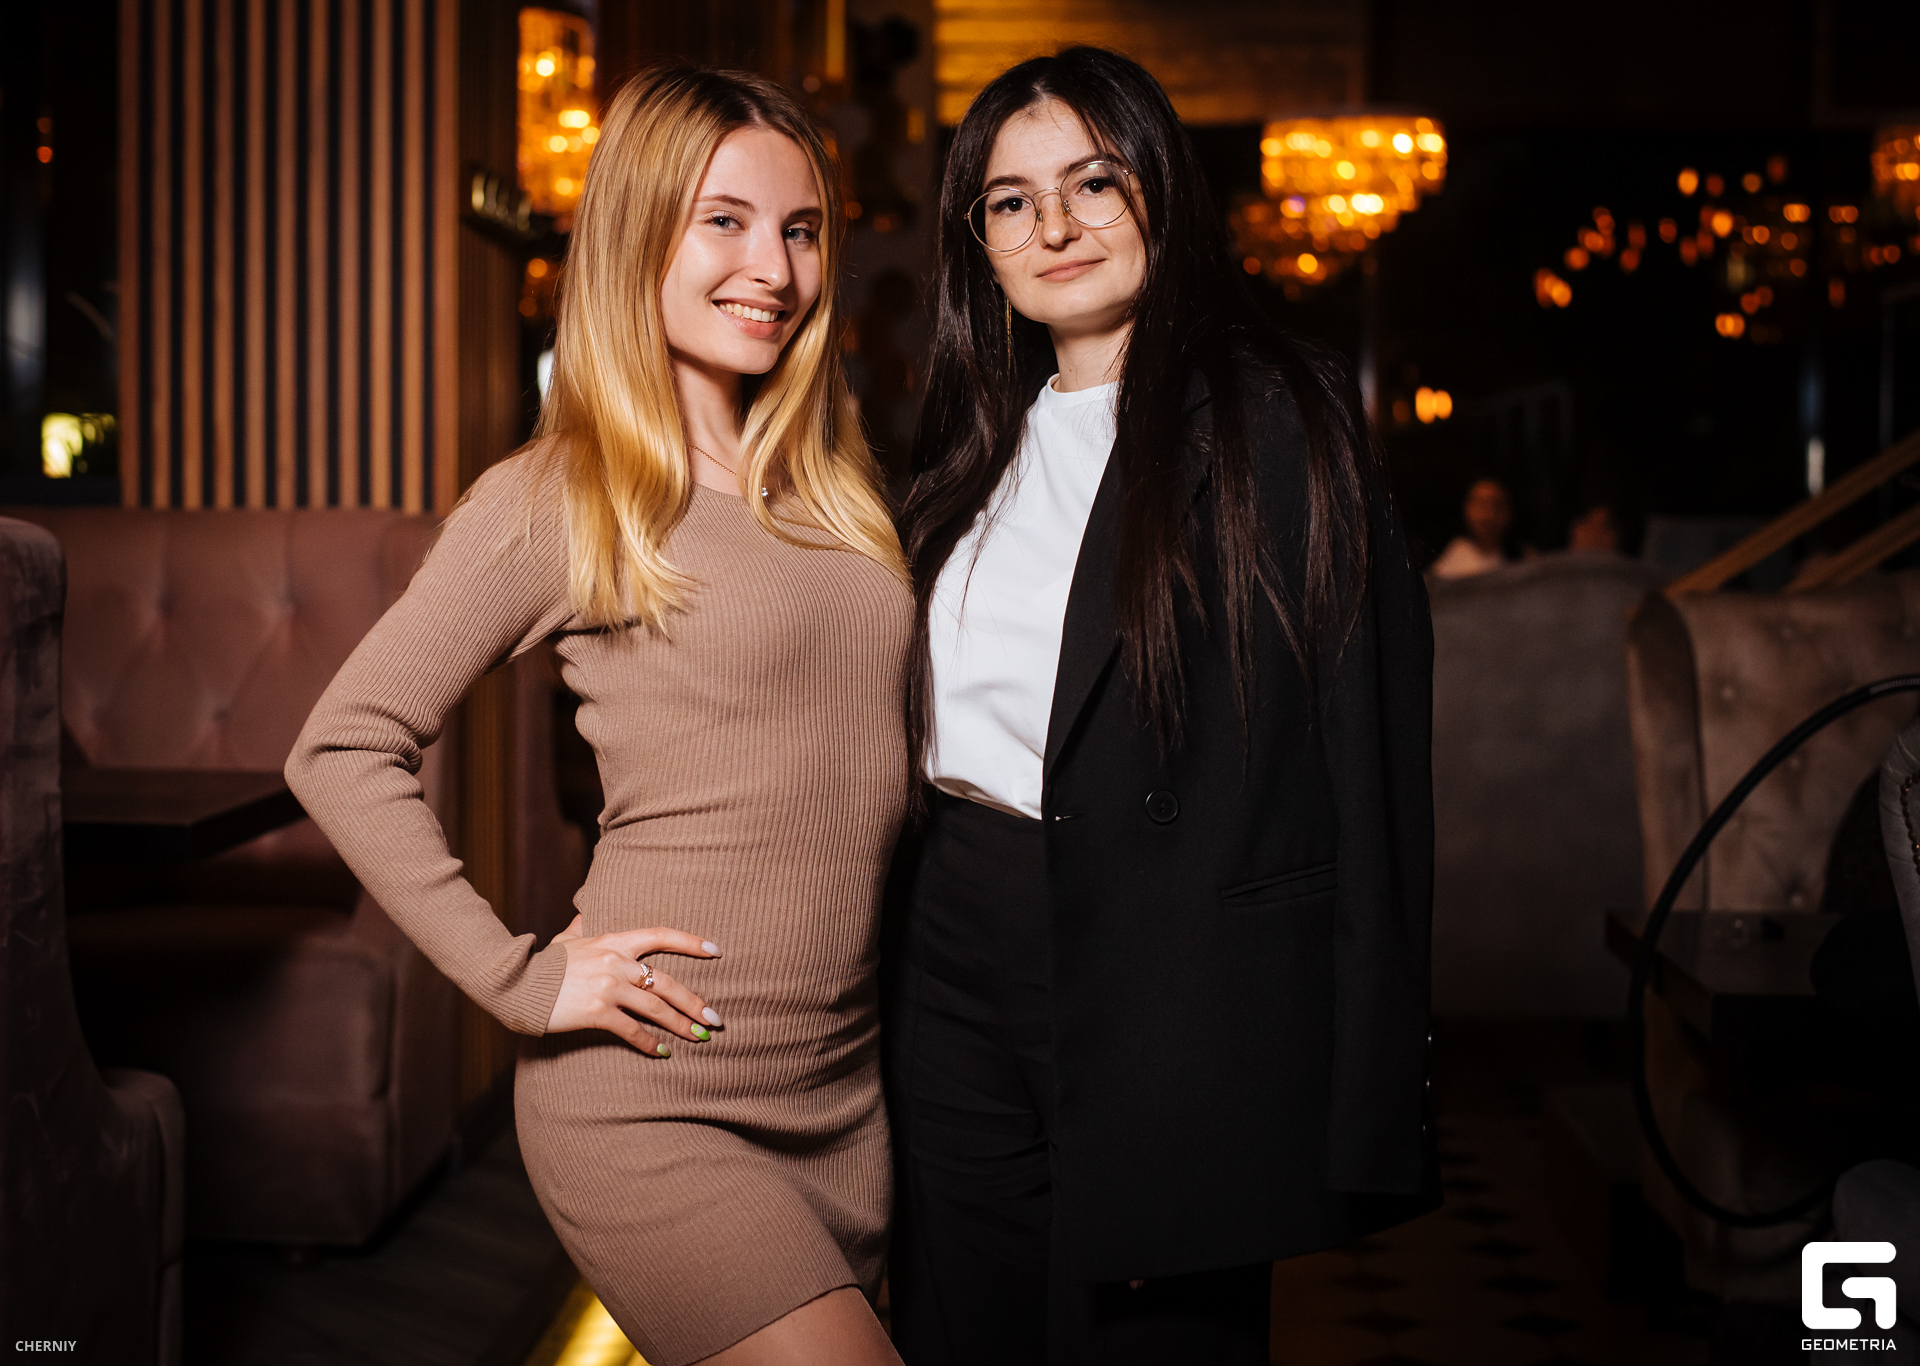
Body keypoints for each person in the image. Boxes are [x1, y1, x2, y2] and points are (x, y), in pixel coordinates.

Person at [287, 67, 909, 1366]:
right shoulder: (562, 494)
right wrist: (520, 977)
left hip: (849, 1095)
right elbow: (342, 745)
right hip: (659, 1099)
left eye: (800, 230)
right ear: (637, 233)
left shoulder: (834, 489)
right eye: (724, 221)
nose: (774, 269)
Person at [885, 46, 1437, 1366]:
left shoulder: (1279, 418)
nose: (1055, 225)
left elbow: (1371, 759)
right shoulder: (970, 441)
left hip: (1168, 973)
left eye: (1093, 182)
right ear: (977, 242)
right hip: (954, 951)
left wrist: (1368, 1088)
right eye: (1010, 201)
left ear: (1160, 190)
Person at [1427, 477, 1515, 579]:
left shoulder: (1522, 558)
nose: (1488, 514)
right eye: (1481, 504)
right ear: (1466, 509)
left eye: (1497, 505)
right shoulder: (1457, 552)